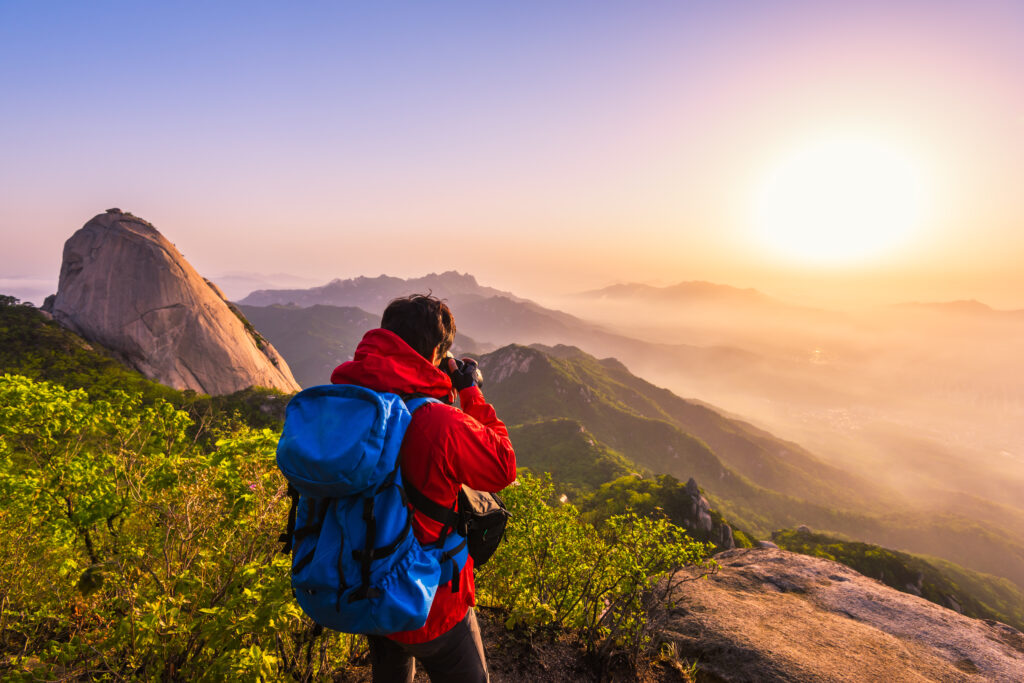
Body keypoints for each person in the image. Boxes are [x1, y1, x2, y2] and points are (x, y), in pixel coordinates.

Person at [329, 294, 516, 683]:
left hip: (367, 582)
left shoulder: (348, 401)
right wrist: (469, 391)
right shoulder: (437, 422)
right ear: (434, 352)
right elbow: (503, 466)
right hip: (433, 602)